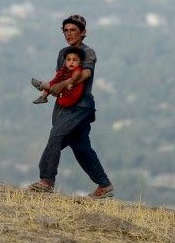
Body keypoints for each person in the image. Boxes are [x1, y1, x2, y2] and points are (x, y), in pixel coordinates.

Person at [28, 14, 114, 199]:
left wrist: (63, 84)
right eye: (65, 30)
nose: (69, 34)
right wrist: (50, 89)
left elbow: (86, 73)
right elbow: (59, 75)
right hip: (64, 105)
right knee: (81, 147)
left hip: (81, 106)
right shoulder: (62, 53)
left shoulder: (88, 52)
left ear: (83, 33)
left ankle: (46, 181)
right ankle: (104, 185)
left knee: (56, 136)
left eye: (73, 30)